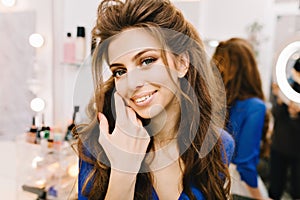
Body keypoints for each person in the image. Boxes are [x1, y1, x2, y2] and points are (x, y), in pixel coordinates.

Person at [74, 0, 235, 199]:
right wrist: (123, 169)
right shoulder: (95, 147)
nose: (132, 83)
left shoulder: (218, 145)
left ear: (182, 63)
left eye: (147, 61)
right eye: (120, 71)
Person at [212, 38, 270, 199]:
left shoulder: (211, 100)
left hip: (210, 180)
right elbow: (245, 166)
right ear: (250, 67)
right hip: (239, 185)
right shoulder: (255, 107)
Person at [268, 57, 300, 200]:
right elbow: (276, 114)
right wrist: (279, 101)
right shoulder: (287, 87)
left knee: (297, 189)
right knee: (275, 187)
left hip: (296, 149)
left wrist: (294, 117)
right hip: (279, 145)